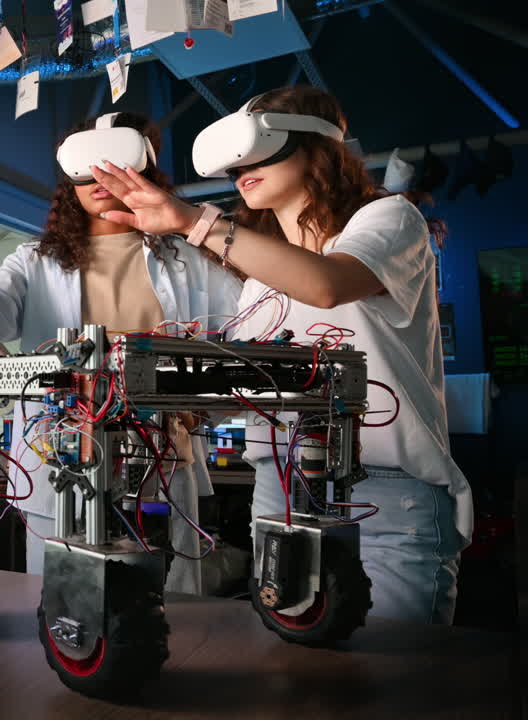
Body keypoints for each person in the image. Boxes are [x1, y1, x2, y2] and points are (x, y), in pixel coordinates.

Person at [91, 86, 470, 624]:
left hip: (380, 492)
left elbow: (326, 284)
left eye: (257, 144)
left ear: (317, 146)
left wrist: (191, 222)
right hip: (279, 485)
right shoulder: (257, 284)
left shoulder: (389, 221)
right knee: (293, 674)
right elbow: (257, 389)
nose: (241, 166)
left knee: (392, 674)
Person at [0, 112, 242, 589]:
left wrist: (200, 410)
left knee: (168, 613)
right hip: (58, 466)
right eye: (84, 163)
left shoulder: (188, 261)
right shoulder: (35, 262)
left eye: (115, 158)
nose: (97, 175)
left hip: (159, 466)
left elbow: (242, 338)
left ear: (145, 167)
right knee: (63, 612)